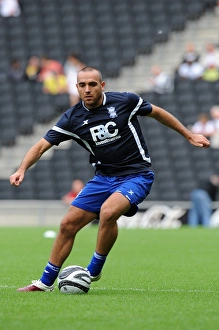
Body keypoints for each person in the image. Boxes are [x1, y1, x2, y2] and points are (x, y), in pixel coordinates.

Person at [9, 66, 210, 292]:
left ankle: (94, 269)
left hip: (137, 175)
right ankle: (44, 283)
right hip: (103, 178)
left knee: (108, 212)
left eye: (92, 84)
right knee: (67, 225)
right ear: (76, 87)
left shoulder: (125, 101)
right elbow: (40, 146)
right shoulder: (72, 118)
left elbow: (158, 112)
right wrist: (22, 168)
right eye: (82, 85)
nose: (87, 89)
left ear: (102, 85)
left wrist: (190, 134)